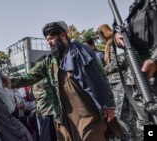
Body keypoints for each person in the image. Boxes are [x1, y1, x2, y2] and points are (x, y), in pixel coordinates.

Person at [8, 21, 116, 141]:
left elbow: (101, 77)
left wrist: (109, 104)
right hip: (63, 116)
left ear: (62, 35)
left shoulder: (81, 51)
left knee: (90, 136)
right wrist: (6, 81)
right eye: (47, 40)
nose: (49, 42)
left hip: (86, 111)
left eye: (51, 38)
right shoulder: (49, 61)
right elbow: (29, 77)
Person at [114, 0, 157, 140]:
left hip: (151, 70)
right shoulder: (135, 8)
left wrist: (155, 60)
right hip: (141, 79)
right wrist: (117, 36)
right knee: (148, 123)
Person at [96, 24, 136, 140]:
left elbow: (123, 58)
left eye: (100, 37)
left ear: (103, 33)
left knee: (121, 116)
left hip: (120, 82)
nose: (100, 40)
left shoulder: (115, 41)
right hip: (115, 83)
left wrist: (105, 69)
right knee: (123, 116)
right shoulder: (109, 44)